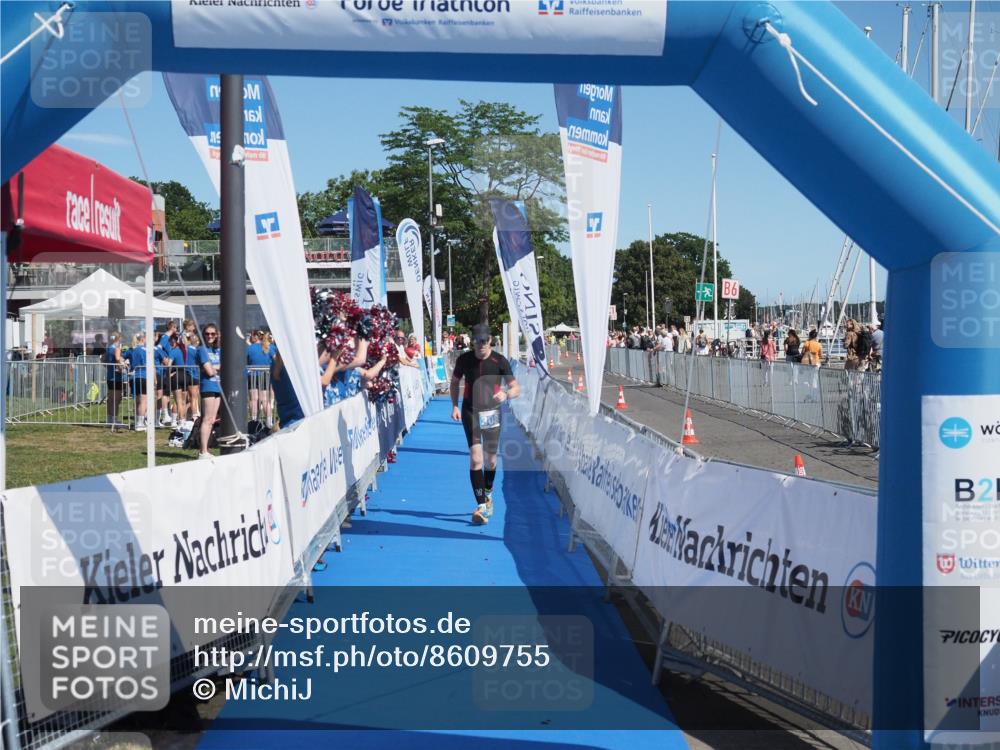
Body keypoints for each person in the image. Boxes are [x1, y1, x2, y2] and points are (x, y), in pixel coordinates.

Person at [450, 323, 520, 525]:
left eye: (484, 341)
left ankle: (488, 491)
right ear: (472, 342)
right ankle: (481, 505)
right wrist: (454, 406)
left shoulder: (500, 361)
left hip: (492, 414)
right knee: (476, 459)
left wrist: (506, 394)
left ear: (490, 340)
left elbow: (516, 388)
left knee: (491, 462)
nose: (480, 345)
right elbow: (454, 383)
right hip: (470, 411)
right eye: (477, 341)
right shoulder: (464, 359)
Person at [194, 324, 222, 459]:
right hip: (208, 386)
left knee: (212, 420)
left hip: (218, 387)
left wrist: (215, 367)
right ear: (203, 335)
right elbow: (210, 371)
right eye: (207, 334)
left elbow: (219, 367)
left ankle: (205, 450)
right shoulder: (202, 350)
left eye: (212, 333)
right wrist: (218, 367)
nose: (210, 336)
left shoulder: (218, 350)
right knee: (206, 419)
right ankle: (203, 451)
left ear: (216, 335)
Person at [247, 329, 274, 426]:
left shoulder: (249, 348)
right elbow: (274, 359)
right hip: (266, 375)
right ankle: (269, 423)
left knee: (254, 399)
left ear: (254, 336)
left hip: (253, 375)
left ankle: (254, 422)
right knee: (265, 400)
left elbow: (244, 361)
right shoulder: (269, 347)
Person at [104, 332, 127, 427]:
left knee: (111, 399)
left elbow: (103, 360)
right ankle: (114, 420)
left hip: (110, 376)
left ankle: (110, 419)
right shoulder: (116, 348)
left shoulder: (108, 348)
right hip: (115, 377)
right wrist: (122, 366)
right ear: (119, 338)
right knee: (115, 399)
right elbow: (118, 359)